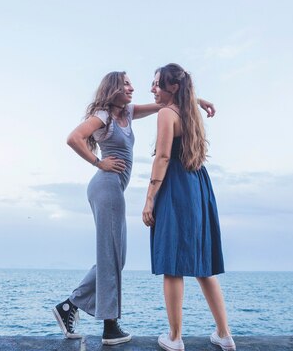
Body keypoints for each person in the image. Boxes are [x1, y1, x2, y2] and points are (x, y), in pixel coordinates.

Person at [53, 71, 215, 346]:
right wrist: (98, 162)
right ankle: (109, 326)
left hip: (113, 189)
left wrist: (196, 100)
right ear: (113, 88)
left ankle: (70, 306)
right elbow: (74, 138)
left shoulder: (127, 112)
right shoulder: (103, 115)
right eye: (126, 83)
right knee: (112, 256)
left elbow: (168, 104)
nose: (132, 87)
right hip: (106, 186)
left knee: (115, 256)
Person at [142, 63, 236, 351]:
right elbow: (183, 100)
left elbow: (163, 157)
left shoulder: (166, 114)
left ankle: (174, 337)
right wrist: (197, 99)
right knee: (203, 266)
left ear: (172, 87)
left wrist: (149, 198)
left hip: (175, 187)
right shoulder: (190, 112)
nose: (152, 88)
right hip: (198, 186)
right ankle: (225, 334)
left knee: (172, 264)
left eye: (157, 84)